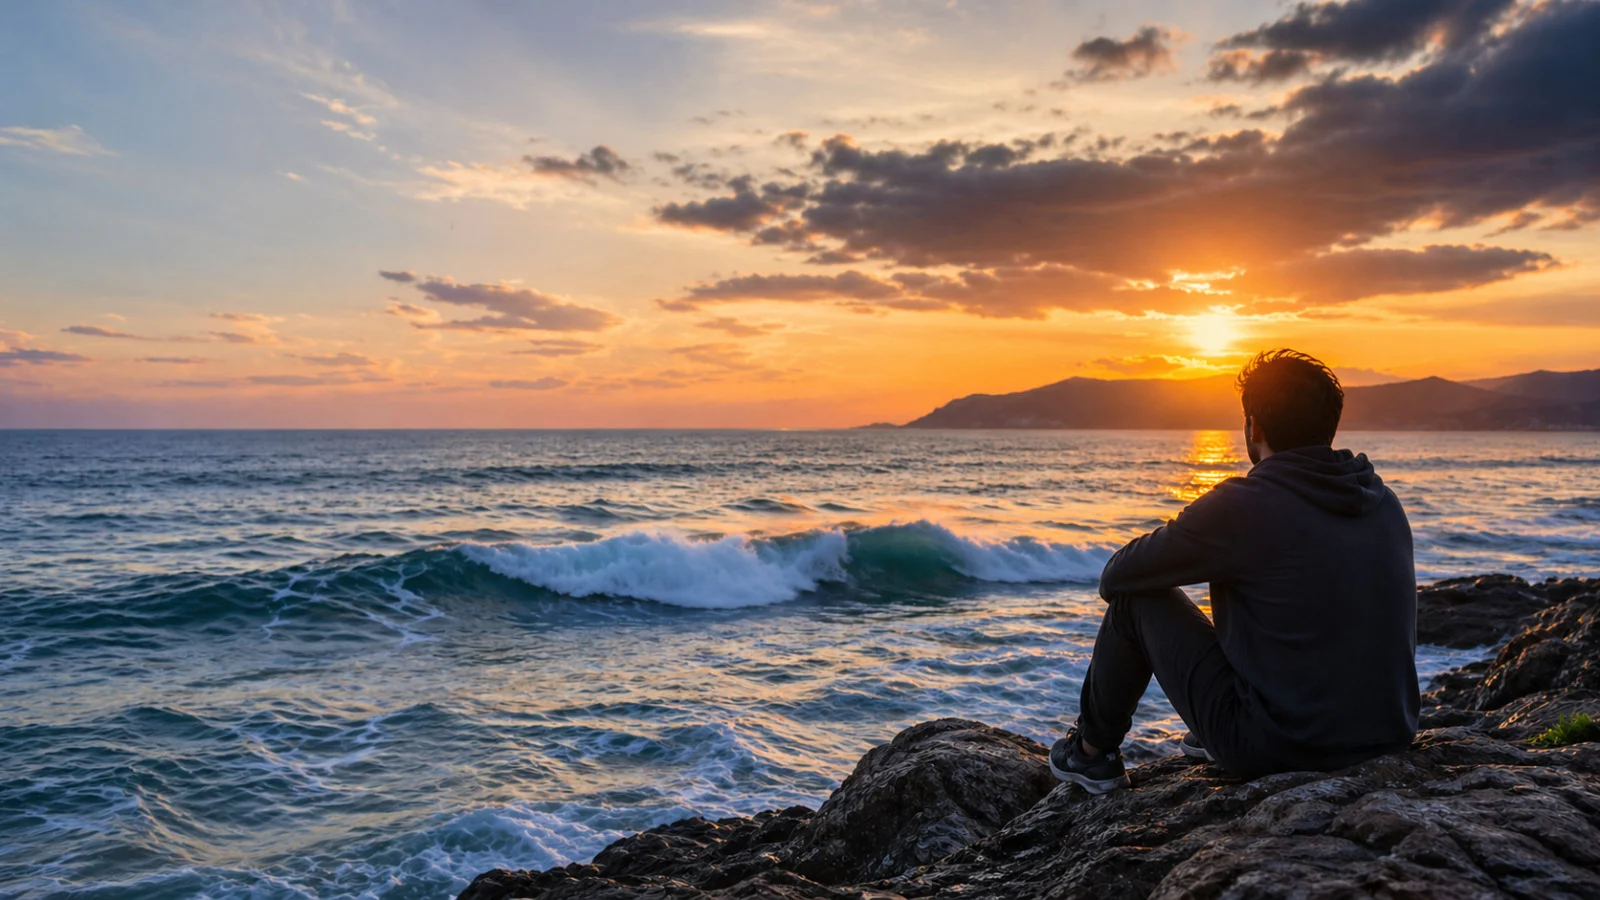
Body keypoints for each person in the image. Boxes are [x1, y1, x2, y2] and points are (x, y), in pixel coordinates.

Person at [1051, 349, 1419, 792]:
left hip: (1281, 748)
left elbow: (1117, 577)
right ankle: (1226, 722)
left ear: (1253, 426)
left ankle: (1092, 753)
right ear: (1330, 425)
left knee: (1136, 597)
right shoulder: (1382, 500)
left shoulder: (1246, 504)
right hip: (1389, 734)